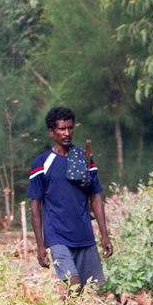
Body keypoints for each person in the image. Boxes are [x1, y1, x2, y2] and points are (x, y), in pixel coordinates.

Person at [27, 106, 113, 291]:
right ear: (51, 132)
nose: (67, 133)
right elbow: (35, 206)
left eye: (70, 128)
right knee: (74, 285)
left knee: (85, 290)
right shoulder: (42, 163)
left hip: (84, 235)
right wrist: (40, 244)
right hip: (57, 236)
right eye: (62, 129)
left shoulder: (84, 158)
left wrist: (104, 235)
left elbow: (95, 197)